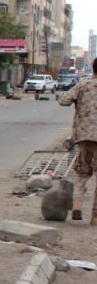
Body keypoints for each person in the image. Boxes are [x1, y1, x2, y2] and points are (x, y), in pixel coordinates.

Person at [58, 58, 97, 223]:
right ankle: (95, 216)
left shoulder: (83, 85)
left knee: (82, 173)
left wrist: (78, 103)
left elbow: (63, 100)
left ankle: (77, 206)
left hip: (84, 136)